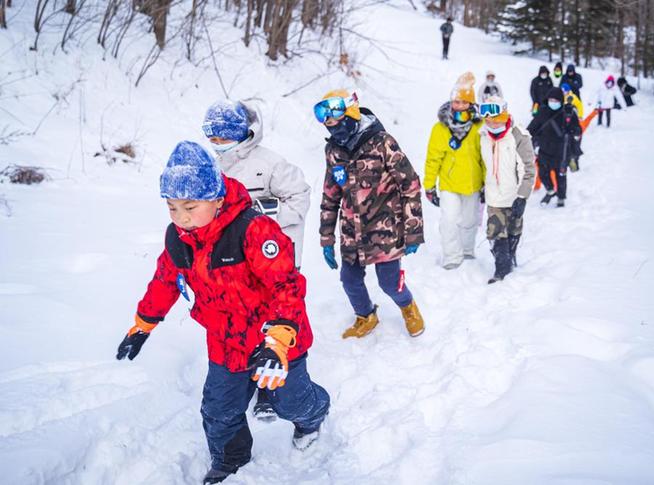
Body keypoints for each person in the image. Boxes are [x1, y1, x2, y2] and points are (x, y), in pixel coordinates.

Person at [116, 141, 330, 484]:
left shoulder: (254, 230)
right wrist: (143, 323)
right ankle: (230, 459)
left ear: (216, 199)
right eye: (172, 208)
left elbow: (287, 284)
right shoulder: (179, 238)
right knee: (218, 411)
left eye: (190, 206)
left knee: (289, 401)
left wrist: (278, 340)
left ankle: (314, 415)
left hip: (275, 339)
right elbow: (165, 280)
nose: (181, 217)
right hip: (225, 342)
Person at [202, 99, 311, 424]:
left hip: (274, 260)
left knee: (273, 321)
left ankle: (268, 391)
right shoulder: (213, 165)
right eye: (212, 137)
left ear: (240, 133)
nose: (217, 144)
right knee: (240, 323)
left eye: (222, 137)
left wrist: (263, 217)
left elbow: (300, 197)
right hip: (233, 264)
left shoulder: (271, 164)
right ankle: (247, 380)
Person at [315, 89, 425, 338]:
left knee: (389, 283)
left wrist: (413, 232)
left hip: (384, 230)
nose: (331, 127)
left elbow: (410, 184)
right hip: (351, 233)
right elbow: (330, 195)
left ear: (351, 113)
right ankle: (366, 315)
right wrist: (326, 239)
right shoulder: (333, 151)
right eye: (327, 124)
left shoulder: (382, 142)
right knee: (349, 280)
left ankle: (408, 307)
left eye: (335, 120)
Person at [424, 72, 485, 270]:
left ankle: (467, 251)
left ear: (470, 104)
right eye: (455, 102)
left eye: (462, 102)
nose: (458, 105)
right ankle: (451, 257)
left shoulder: (480, 127)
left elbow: (484, 159)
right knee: (449, 221)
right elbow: (433, 158)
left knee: (470, 221)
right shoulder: (440, 128)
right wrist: (429, 185)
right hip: (449, 184)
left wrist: (486, 184)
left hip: (473, 184)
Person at [479, 96, 535, 283]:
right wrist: (481, 187)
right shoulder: (483, 136)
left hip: (514, 195)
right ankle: (501, 270)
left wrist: (522, 197)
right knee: (494, 232)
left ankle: (511, 257)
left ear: (504, 115)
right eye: (488, 121)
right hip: (494, 196)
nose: (492, 124)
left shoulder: (518, 135)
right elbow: (482, 165)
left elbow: (529, 169)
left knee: (513, 231)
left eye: (495, 120)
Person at [527, 87, 582, 208]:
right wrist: (527, 138)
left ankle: (561, 198)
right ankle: (551, 190)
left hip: (562, 151)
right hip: (544, 149)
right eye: (551, 99)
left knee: (560, 176)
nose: (553, 102)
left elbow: (577, 129)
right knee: (542, 173)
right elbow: (531, 128)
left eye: (556, 100)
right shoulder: (542, 112)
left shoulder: (568, 112)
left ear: (561, 101)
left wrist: (574, 128)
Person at [561, 83, 584, 171]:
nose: (564, 92)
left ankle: (574, 162)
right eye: (562, 91)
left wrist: (580, 115)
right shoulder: (560, 97)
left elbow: (580, 106)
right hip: (563, 122)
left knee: (574, 143)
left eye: (565, 91)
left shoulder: (573, 97)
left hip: (573, 121)